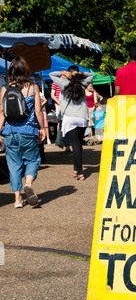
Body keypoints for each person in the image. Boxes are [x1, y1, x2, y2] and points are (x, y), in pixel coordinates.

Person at [0, 56, 45, 208]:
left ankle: (17, 200)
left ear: (11, 71)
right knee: (32, 160)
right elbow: (38, 111)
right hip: (28, 131)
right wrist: (42, 128)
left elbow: (1, 113)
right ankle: (28, 183)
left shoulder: (5, 88)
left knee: (13, 165)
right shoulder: (33, 87)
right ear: (26, 70)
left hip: (9, 132)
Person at [49, 66, 94, 181]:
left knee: (75, 145)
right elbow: (91, 75)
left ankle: (80, 172)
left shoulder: (63, 83)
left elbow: (51, 75)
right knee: (78, 144)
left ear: (69, 73)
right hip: (82, 118)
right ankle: (76, 169)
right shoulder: (83, 83)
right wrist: (80, 73)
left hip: (69, 119)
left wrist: (62, 72)